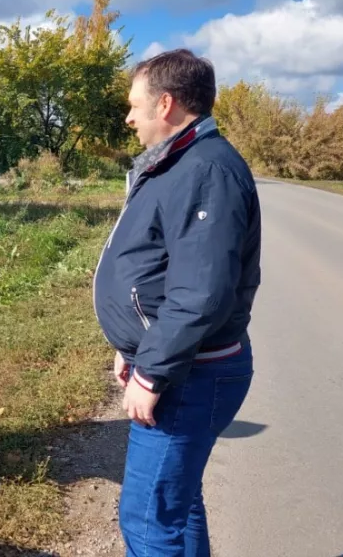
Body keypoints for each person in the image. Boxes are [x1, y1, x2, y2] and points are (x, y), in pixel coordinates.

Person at [91, 48, 262, 556]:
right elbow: (160, 270)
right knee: (179, 506)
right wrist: (133, 345)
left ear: (165, 104)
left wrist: (152, 372)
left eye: (134, 105)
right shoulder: (179, 161)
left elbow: (200, 292)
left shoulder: (205, 170)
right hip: (181, 366)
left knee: (147, 522)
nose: (128, 117)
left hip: (191, 376)